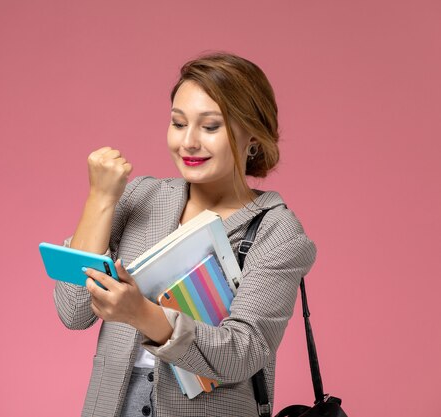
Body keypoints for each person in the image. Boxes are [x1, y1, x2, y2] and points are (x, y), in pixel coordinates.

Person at [53, 52, 316, 417]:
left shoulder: (277, 232)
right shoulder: (141, 197)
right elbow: (73, 310)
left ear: (252, 137)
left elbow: (243, 352)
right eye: (178, 124)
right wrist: (100, 198)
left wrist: (141, 314)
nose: (188, 142)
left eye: (210, 127)